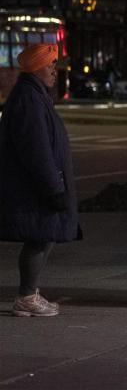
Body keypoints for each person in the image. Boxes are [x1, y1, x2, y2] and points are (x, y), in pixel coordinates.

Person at [0, 43, 82, 317]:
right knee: (41, 236)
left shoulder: (34, 96)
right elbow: (37, 150)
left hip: (36, 184)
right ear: (36, 67)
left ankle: (28, 295)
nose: (54, 71)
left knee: (43, 236)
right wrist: (52, 188)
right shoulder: (29, 99)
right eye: (49, 65)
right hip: (34, 187)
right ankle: (27, 296)